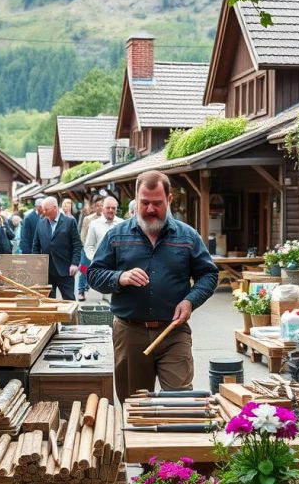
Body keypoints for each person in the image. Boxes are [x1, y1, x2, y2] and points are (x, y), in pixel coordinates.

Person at [88, 171, 218, 401]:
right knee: (134, 404)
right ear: (136, 200)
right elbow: (94, 274)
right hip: (130, 333)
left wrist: (190, 301)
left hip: (174, 333)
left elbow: (208, 274)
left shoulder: (187, 236)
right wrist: (120, 277)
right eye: (144, 203)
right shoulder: (116, 235)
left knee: (180, 403)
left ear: (169, 200)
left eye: (157, 203)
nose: (149, 209)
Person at [31, 196, 82, 300]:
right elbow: (36, 246)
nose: (43, 212)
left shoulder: (69, 222)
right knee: (48, 301)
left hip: (66, 270)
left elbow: (77, 245)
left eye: (46, 209)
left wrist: (75, 263)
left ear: (55, 208)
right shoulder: (40, 223)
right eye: (43, 209)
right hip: (47, 271)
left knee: (69, 300)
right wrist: (37, 265)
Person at [83, 196, 123, 294]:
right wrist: (95, 259)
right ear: (103, 208)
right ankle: (81, 289)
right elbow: (89, 246)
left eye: (113, 208)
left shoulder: (122, 224)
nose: (110, 210)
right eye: (108, 208)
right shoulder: (94, 224)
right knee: (106, 295)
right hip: (102, 267)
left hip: (119, 267)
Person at [77, 197, 104, 301]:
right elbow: (82, 235)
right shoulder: (88, 219)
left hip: (101, 249)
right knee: (83, 269)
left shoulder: (105, 219)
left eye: (101, 205)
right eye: (97, 206)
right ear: (94, 207)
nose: (99, 208)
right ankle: (81, 291)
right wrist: (86, 247)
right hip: (87, 249)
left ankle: (106, 293)